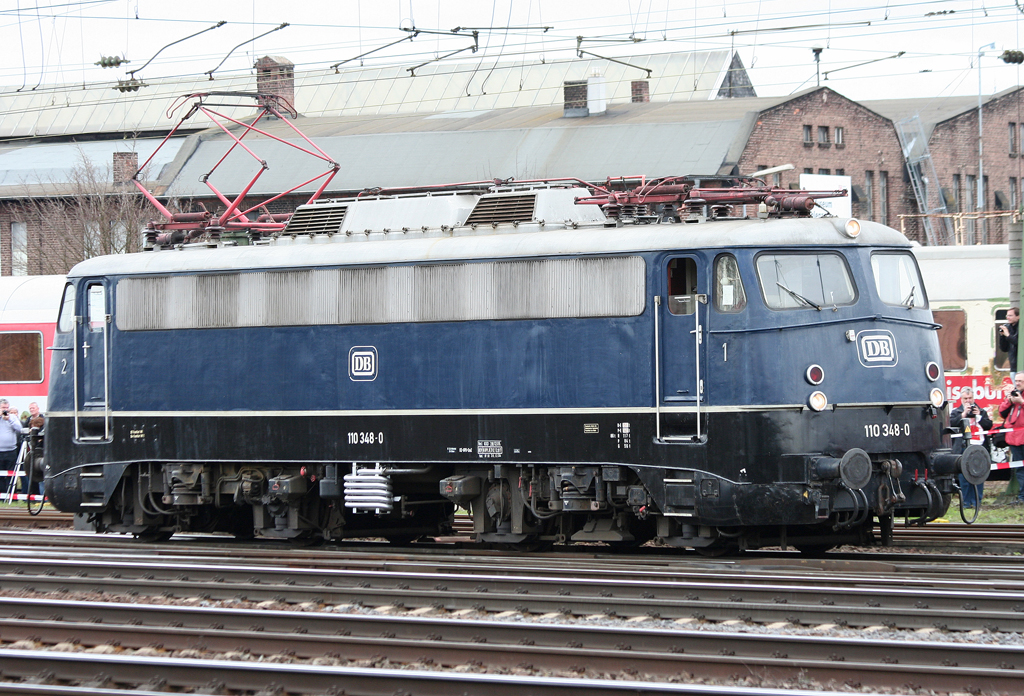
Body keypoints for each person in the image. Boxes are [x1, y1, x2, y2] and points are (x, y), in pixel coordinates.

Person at [950, 387, 992, 508]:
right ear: (961, 399)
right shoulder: (956, 411)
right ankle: (966, 502)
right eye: (965, 399)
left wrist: (978, 416)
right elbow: (951, 423)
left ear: (974, 398)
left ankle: (977, 501)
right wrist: (963, 415)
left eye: (970, 398)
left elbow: (988, 425)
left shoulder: (981, 411)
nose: (968, 401)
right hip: (963, 447)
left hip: (979, 448)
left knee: (979, 474)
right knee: (964, 476)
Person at [999, 373, 1024, 504]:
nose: (1018, 383)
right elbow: (1001, 413)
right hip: (1014, 439)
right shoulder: (1013, 395)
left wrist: (1022, 402)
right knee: (1019, 469)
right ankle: (1022, 497)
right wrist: (1009, 401)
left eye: (1020, 381)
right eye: (1016, 381)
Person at [20, 402, 43, 497]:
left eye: (33, 408)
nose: (31, 410)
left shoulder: (44, 420)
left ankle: (41, 495)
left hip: (40, 449)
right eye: (30, 408)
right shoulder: (27, 420)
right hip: (29, 449)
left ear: (38, 408)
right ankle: (32, 492)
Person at [0, 400, 21, 499]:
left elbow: (19, 428)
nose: (5, 410)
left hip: (11, 451)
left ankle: (10, 496)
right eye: (3, 407)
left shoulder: (12, 417)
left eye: (6, 407)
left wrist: (9, 419)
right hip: (0, 451)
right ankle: (1, 496)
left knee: (11, 475)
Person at [999, 307, 1020, 377]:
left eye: (1010, 315)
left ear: (1018, 316)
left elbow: (1017, 343)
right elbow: (1004, 348)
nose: (1008, 318)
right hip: (1013, 367)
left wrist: (1008, 335)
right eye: (1007, 316)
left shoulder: (1021, 327)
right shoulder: (1008, 327)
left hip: (1021, 366)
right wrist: (1002, 336)